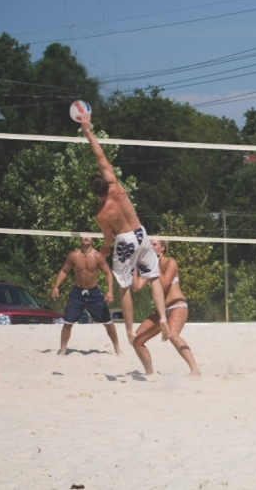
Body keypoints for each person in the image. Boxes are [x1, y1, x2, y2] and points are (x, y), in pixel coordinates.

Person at [81, 113, 169, 347]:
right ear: (105, 181)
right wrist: (88, 131)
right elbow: (99, 154)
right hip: (141, 232)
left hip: (124, 239)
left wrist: (104, 250)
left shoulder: (100, 213)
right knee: (154, 279)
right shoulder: (116, 185)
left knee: (124, 287)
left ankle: (130, 331)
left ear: (94, 192)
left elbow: (109, 238)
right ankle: (162, 317)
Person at [132, 240, 200, 376]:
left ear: (162, 248)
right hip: (162, 310)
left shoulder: (171, 263)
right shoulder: (148, 266)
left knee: (173, 335)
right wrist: (133, 266)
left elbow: (164, 285)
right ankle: (150, 373)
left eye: (154, 244)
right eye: (149, 244)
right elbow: (137, 287)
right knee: (137, 340)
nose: (151, 246)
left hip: (177, 306)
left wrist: (154, 265)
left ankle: (195, 370)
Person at [51, 237, 121, 355]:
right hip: (77, 292)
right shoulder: (73, 255)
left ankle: (117, 347)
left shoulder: (98, 256)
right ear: (80, 238)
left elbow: (108, 273)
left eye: (88, 235)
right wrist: (56, 286)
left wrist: (110, 291)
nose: (86, 238)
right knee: (68, 322)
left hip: (94, 293)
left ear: (92, 238)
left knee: (108, 322)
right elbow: (64, 271)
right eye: (84, 235)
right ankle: (62, 350)